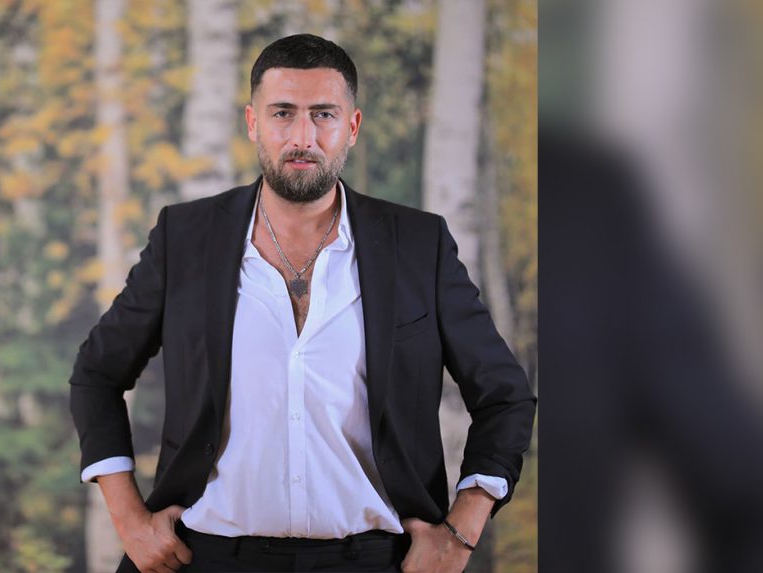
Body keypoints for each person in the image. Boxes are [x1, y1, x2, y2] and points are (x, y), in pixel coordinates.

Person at [69, 34, 536, 573]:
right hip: (205, 556)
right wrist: (128, 519)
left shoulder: (417, 244)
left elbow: (505, 397)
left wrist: (461, 531)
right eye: (283, 113)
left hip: (378, 560)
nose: (302, 137)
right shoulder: (185, 237)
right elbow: (97, 374)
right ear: (253, 123)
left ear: (352, 127)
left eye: (323, 115)